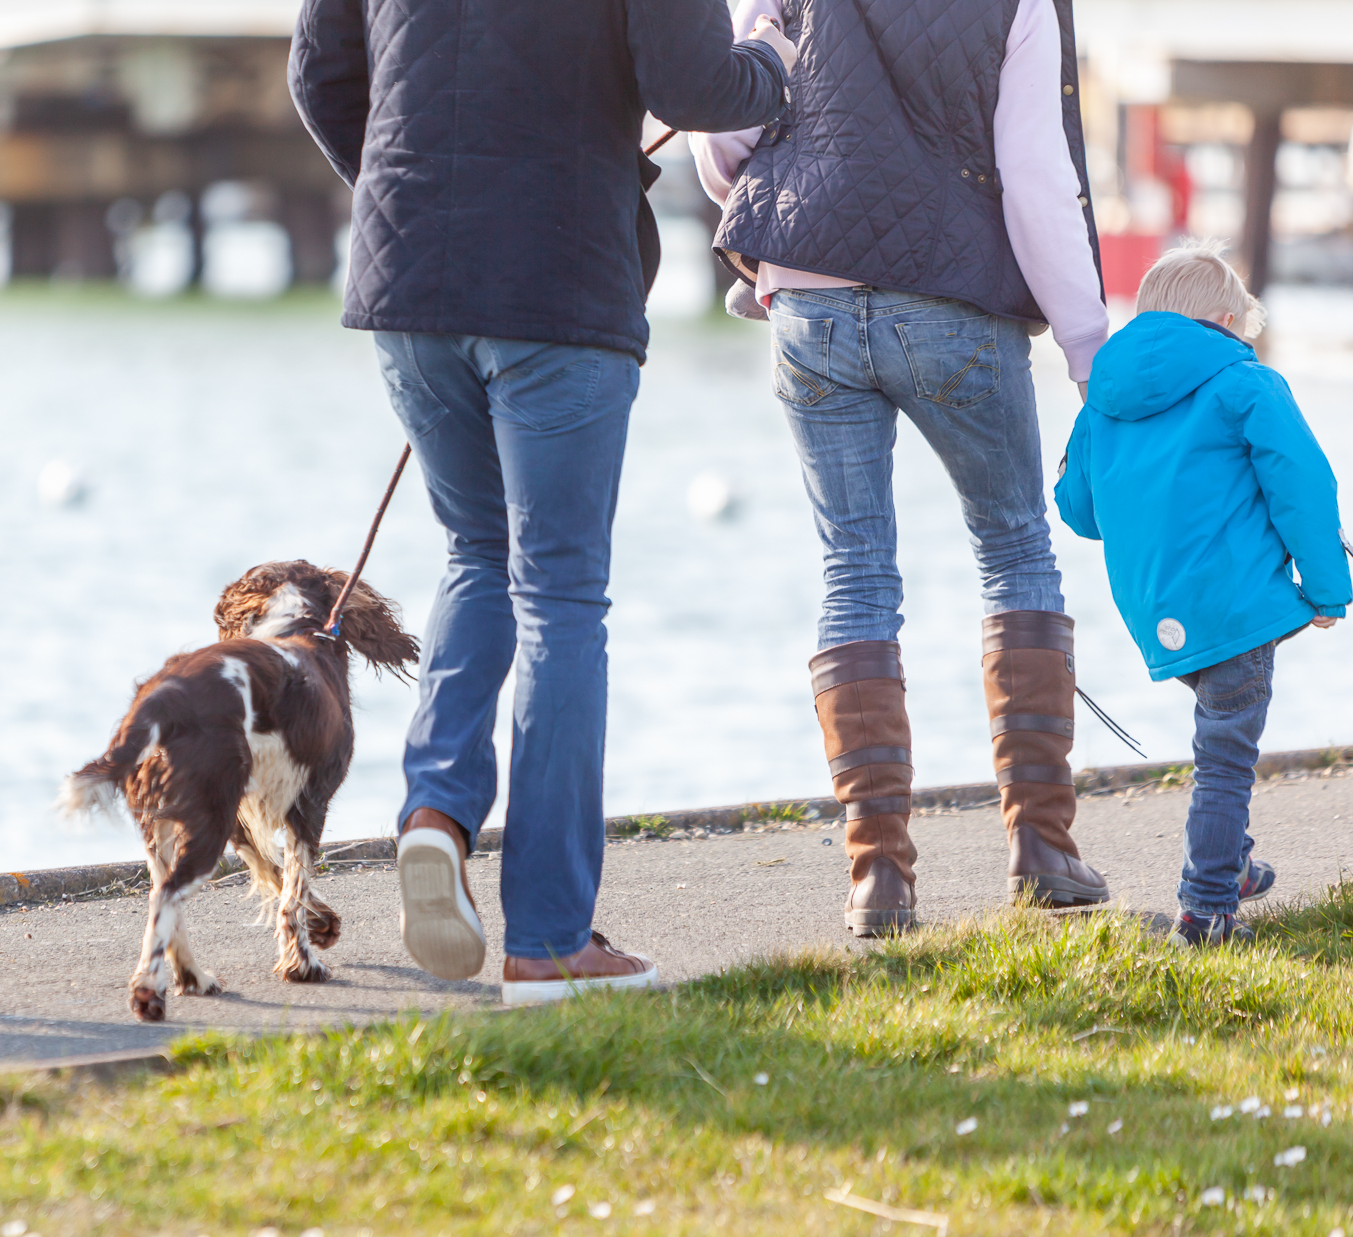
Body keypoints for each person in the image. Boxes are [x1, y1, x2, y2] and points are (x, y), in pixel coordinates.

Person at [290, 0, 792, 1002]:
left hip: (408, 272)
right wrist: (774, 61)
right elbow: (696, 90)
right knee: (560, 593)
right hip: (557, 281)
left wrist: (408, 191)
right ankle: (550, 937)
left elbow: (319, 75)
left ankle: (434, 810)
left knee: (476, 552)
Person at [691, 0, 1113, 935]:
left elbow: (724, 133)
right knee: (1014, 550)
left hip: (810, 299)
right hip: (956, 297)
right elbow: (1036, 179)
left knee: (854, 570)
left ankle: (878, 877)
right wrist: (1090, 350)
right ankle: (1042, 850)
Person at [1054, 243, 1349, 947]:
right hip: (1236, 608)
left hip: (1155, 612)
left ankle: (1233, 860)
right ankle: (1208, 904)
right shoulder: (1247, 382)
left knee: (1219, 729)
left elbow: (1080, 511)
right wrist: (1330, 588)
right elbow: (1302, 487)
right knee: (1226, 755)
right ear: (1224, 319)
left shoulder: (1104, 396)